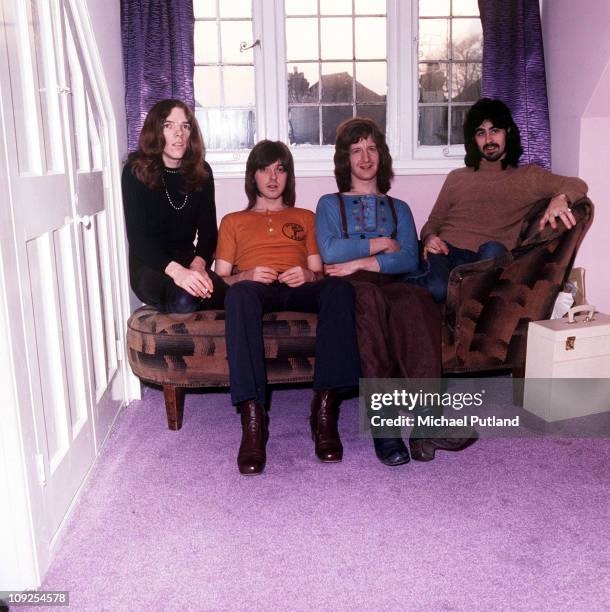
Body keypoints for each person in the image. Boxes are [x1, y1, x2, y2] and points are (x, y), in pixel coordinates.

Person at [316, 117, 477, 466]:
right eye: (356, 150)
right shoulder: (329, 204)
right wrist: (381, 243)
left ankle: (425, 425)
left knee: (417, 299)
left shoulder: (399, 207)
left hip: (389, 280)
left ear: (382, 155)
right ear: (346, 159)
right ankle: (384, 426)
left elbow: (407, 258)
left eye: (372, 148)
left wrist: (362, 260)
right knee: (369, 301)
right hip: (349, 287)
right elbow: (329, 252)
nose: (365, 157)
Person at [215, 140, 360, 475]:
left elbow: (317, 268)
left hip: (296, 285)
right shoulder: (233, 221)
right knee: (237, 296)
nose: (272, 177)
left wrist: (309, 274)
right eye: (265, 169)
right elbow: (222, 276)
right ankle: (254, 421)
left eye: (280, 169)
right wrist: (246, 275)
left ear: (288, 177)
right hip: (255, 286)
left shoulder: (304, 217)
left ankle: (324, 412)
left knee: (338, 288)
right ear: (252, 176)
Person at [420, 97, 588, 303]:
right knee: (437, 289)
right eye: (481, 133)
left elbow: (577, 184)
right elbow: (433, 222)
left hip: (488, 258)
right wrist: (429, 238)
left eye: (495, 130)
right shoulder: (457, 177)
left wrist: (561, 198)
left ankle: (459, 291)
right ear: (474, 139)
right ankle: (411, 283)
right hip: (448, 253)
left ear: (508, 132)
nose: (489, 139)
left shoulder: (528, 177)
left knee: (493, 249)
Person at [122, 99, 226, 313]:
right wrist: (178, 273)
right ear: (155, 131)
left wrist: (198, 266)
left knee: (234, 299)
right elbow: (138, 239)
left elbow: (208, 233)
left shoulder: (202, 172)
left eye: (185, 126)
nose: (179, 134)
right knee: (184, 300)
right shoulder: (135, 171)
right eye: (169, 126)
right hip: (150, 265)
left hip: (189, 262)